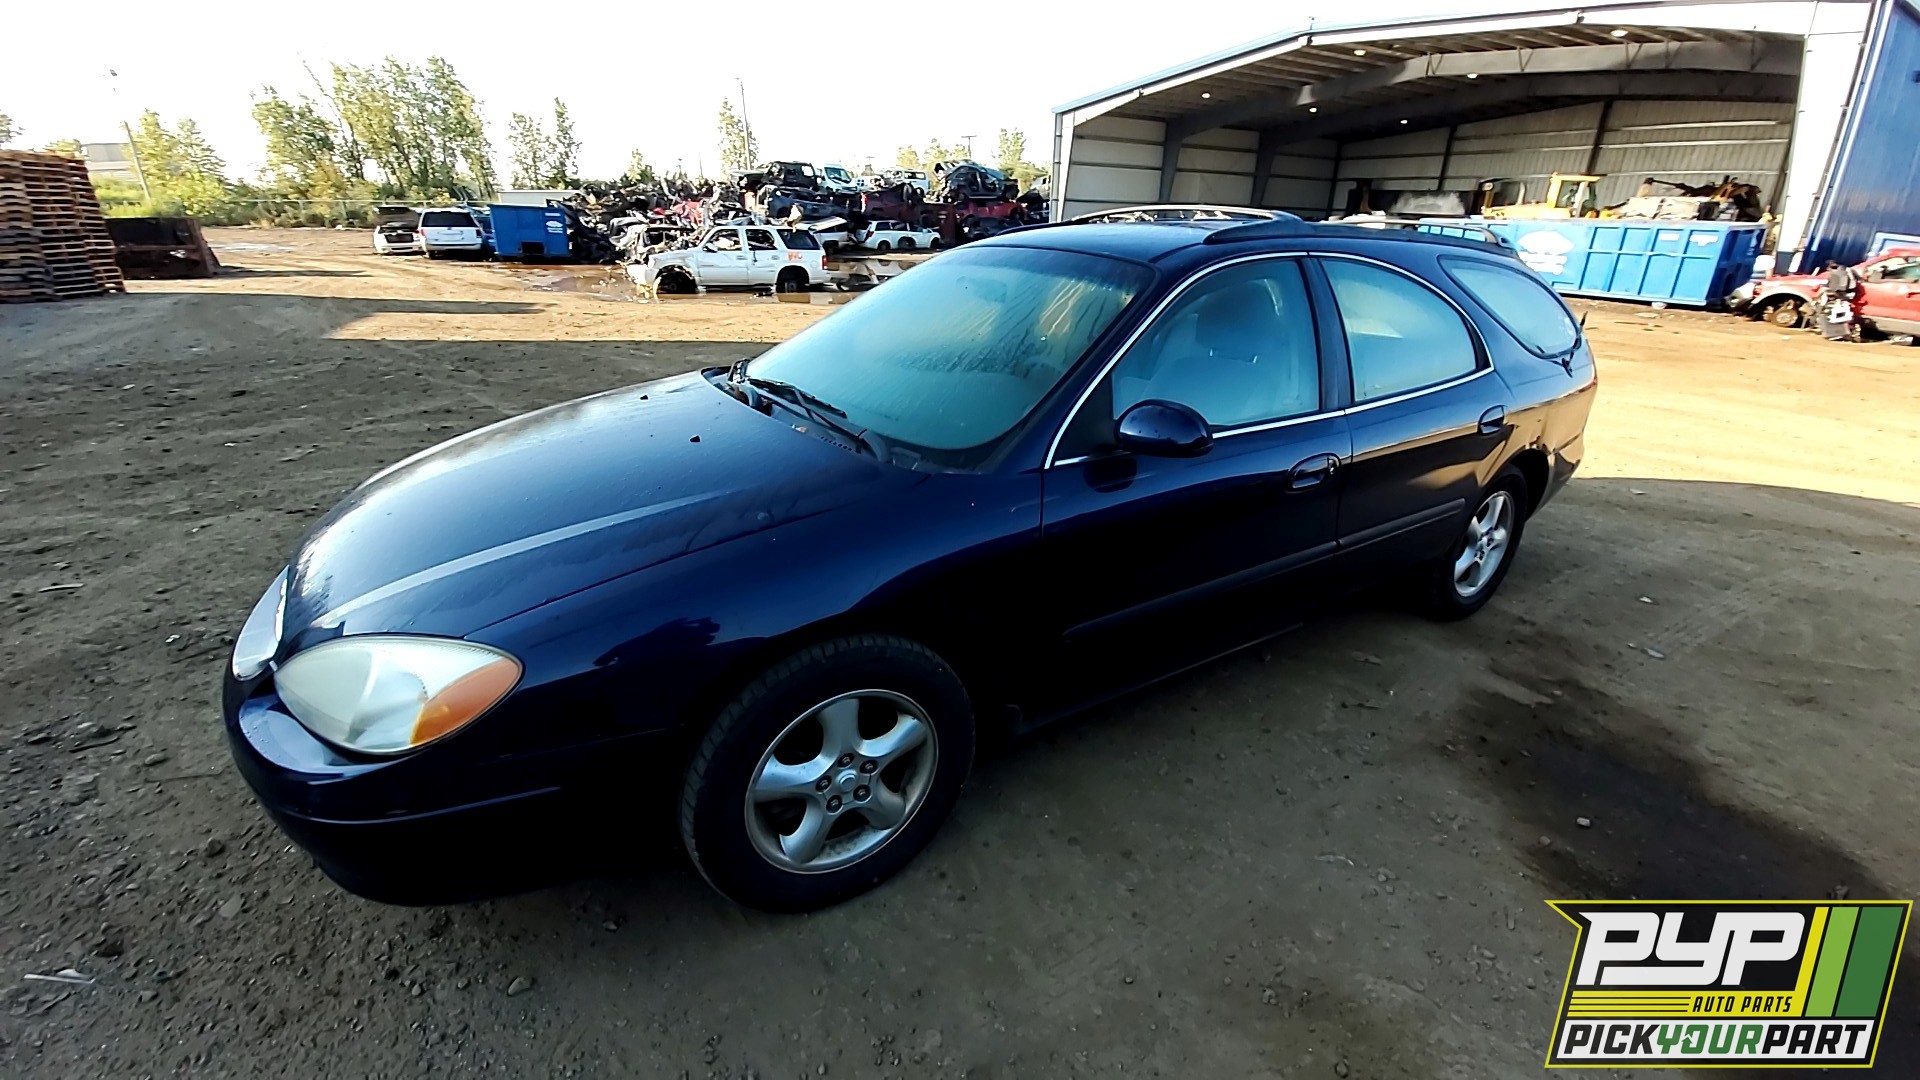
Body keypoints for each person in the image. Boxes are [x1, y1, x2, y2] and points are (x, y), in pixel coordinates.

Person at [1820, 260, 1861, 341]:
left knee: (1824, 311)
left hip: (1837, 295)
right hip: (1849, 295)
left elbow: (1830, 288)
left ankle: (1832, 333)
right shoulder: (1850, 271)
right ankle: (1845, 331)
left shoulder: (1834, 274)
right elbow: (1860, 280)